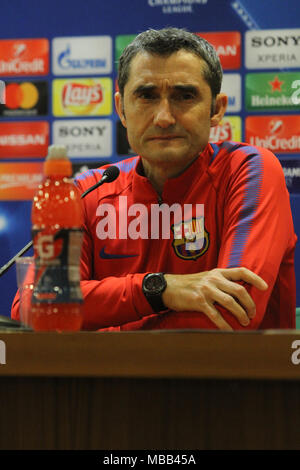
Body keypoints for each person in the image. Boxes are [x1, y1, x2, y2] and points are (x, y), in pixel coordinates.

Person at [11, 27, 297, 331]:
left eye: (184, 96)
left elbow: (235, 309)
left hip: (237, 378)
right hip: (100, 380)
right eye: (146, 96)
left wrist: (103, 333)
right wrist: (160, 289)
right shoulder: (88, 192)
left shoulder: (249, 170)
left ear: (216, 109)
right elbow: (37, 308)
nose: (164, 117)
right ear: (121, 109)